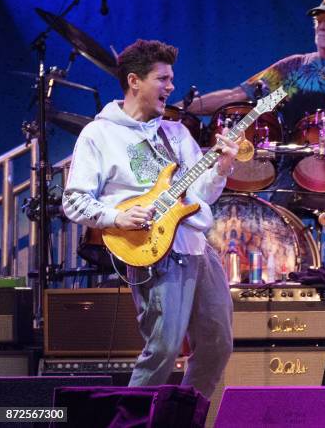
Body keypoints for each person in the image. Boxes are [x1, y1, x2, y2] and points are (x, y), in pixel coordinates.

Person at [62, 39, 239, 397]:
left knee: (218, 345)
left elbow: (201, 195)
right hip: (153, 254)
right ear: (134, 81)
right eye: (163, 78)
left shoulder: (176, 132)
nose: (171, 87)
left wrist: (222, 167)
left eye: (171, 79)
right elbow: (74, 201)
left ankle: (185, 417)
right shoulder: (99, 135)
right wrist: (117, 216)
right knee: (163, 350)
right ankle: (131, 421)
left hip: (197, 249)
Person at [186, 0, 325, 137]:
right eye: (319, 21)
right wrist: (178, 110)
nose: (322, 26)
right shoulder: (292, 68)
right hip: (291, 179)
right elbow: (236, 97)